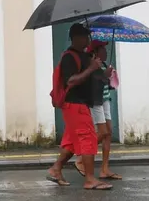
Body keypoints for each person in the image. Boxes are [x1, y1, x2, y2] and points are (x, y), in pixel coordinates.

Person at [47, 23, 113, 190]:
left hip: (82, 104)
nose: (88, 40)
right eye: (85, 36)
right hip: (74, 104)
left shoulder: (85, 56)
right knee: (88, 139)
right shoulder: (69, 57)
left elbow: (92, 78)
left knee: (71, 143)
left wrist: (103, 74)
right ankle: (90, 179)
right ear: (76, 38)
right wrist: (91, 67)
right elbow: (71, 80)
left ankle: (56, 169)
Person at [74, 40, 122, 180]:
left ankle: (104, 169)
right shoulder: (91, 63)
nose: (106, 52)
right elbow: (92, 81)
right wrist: (104, 75)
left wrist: (110, 77)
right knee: (102, 132)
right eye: (103, 49)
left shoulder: (103, 64)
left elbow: (105, 83)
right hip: (96, 102)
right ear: (95, 52)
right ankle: (81, 159)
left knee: (109, 133)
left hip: (105, 99)